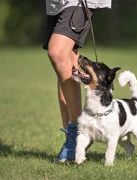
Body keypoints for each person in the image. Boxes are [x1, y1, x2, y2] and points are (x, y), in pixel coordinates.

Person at [43, 0, 112, 162]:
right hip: (55, 3)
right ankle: (73, 139)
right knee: (67, 60)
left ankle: (78, 132)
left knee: (57, 53)